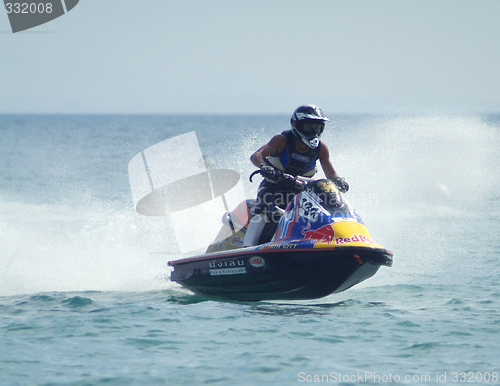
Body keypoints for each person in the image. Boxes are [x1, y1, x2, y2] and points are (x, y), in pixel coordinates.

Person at [243, 104, 349, 246]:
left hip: (301, 193)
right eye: (308, 126)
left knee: (324, 211)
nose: (313, 131)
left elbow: (330, 173)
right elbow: (256, 156)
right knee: (263, 212)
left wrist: (338, 181)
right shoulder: (281, 140)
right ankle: (247, 248)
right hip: (273, 188)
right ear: (296, 124)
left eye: (317, 127)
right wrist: (265, 167)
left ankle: (331, 241)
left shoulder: (321, 148)